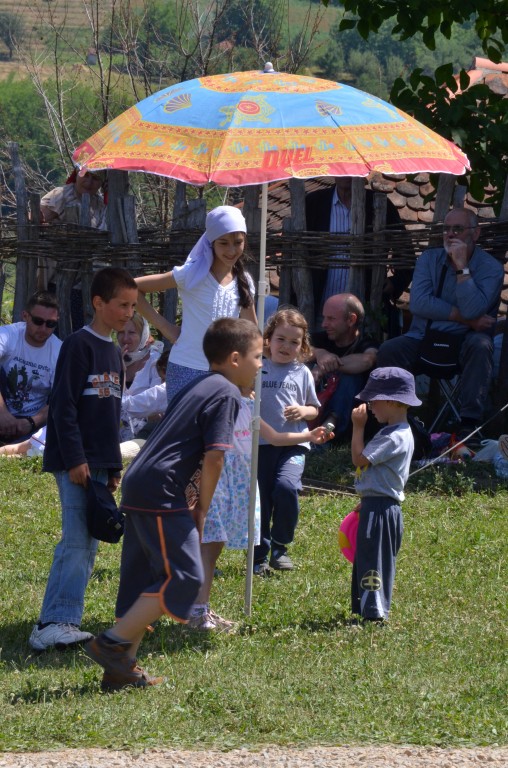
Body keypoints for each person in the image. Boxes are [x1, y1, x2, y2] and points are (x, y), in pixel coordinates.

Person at [83, 317, 262, 690]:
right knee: (186, 575)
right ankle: (112, 644)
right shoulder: (227, 393)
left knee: (143, 577)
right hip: (162, 489)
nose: (261, 365)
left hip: (141, 481)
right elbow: (215, 456)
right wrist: (201, 508)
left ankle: (121, 670)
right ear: (235, 358)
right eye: (258, 356)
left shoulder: (201, 384)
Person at [29, 267, 138, 652]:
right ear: (98, 303)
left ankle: (66, 620)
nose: (129, 313)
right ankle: (50, 624)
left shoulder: (113, 352)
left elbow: (111, 416)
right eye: (122, 305)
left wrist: (113, 467)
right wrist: (76, 459)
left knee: (88, 543)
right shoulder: (79, 345)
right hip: (76, 462)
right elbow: (63, 407)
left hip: (100, 464)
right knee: (76, 541)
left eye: (133, 306)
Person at [188, 389, 334, 631]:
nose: (258, 372)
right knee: (208, 542)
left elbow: (274, 437)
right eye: (255, 366)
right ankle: (194, 609)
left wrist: (309, 435)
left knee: (215, 544)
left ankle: (199, 607)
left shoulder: (249, 407)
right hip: (217, 477)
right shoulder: (218, 401)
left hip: (239, 479)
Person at [376, 208, 504, 447]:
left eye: (458, 229)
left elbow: (473, 309)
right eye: (446, 229)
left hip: (465, 341)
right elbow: (419, 303)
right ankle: (396, 421)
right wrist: (466, 319)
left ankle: (468, 425)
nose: (450, 234)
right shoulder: (428, 259)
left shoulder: (492, 269)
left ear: (475, 233)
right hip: (423, 337)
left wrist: (462, 268)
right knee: (389, 350)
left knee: (481, 345)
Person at [135, 205, 257, 401]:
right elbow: (133, 289)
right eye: (223, 243)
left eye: (238, 242)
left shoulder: (244, 282)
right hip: (186, 369)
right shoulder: (191, 274)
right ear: (211, 242)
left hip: (226, 375)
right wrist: (167, 329)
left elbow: (251, 333)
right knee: (185, 422)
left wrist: (247, 375)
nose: (231, 250)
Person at [351, 366, 421, 623]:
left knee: (373, 560)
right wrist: (368, 499)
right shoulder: (395, 431)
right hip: (378, 505)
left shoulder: (394, 437)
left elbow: (359, 459)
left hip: (380, 509)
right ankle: (367, 608)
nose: (370, 407)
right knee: (369, 556)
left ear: (391, 401)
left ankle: (374, 613)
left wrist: (357, 427)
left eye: (373, 401)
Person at [254, 308, 320, 575]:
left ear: (302, 345)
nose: (286, 346)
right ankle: (258, 557)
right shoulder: (258, 367)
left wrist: (304, 411)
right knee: (260, 501)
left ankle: (280, 546)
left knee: (286, 487)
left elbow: (314, 409)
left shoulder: (302, 372)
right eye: (281, 339)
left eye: (294, 342)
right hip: (260, 446)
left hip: (294, 444)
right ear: (268, 338)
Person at [305, 176, 412, 334]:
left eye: (352, 169)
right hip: (321, 313)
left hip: (364, 313)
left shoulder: (378, 204)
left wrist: (395, 283)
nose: (346, 174)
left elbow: (405, 250)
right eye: (342, 167)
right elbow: (297, 247)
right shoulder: (314, 203)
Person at [310, 293, 378, 440]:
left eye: (331, 318)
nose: (324, 324)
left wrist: (324, 367)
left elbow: (368, 359)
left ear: (351, 320)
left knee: (350, 379)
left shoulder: (366, 343)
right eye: (324, 317)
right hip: (313, 409)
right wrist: (319, 353)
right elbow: (294, 351)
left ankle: (325, 433)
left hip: (348, 417)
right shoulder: (320, 339)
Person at [0, 291, 61, 446]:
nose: (43, 328)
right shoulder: (8, 334)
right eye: (38, 321)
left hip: (31, 423)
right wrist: (2, 412)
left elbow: (62, 399)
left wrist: (31, 423)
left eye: (50, 324)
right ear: (25, 316)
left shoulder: (59, 351)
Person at [117, 312, 162, 440]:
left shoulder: (155, 362)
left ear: (143, 335)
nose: (125, 338)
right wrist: (119, 369)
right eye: (121, 332)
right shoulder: (112, 358)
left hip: (146, 438)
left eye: (131, 333)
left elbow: (156, 409)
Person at [40, 169, 107, 230]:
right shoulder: (61, 194)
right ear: (77, 174)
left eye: (95, 178)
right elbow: (38, 221)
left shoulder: (101, 204)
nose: (89, 183)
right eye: (85, 175)